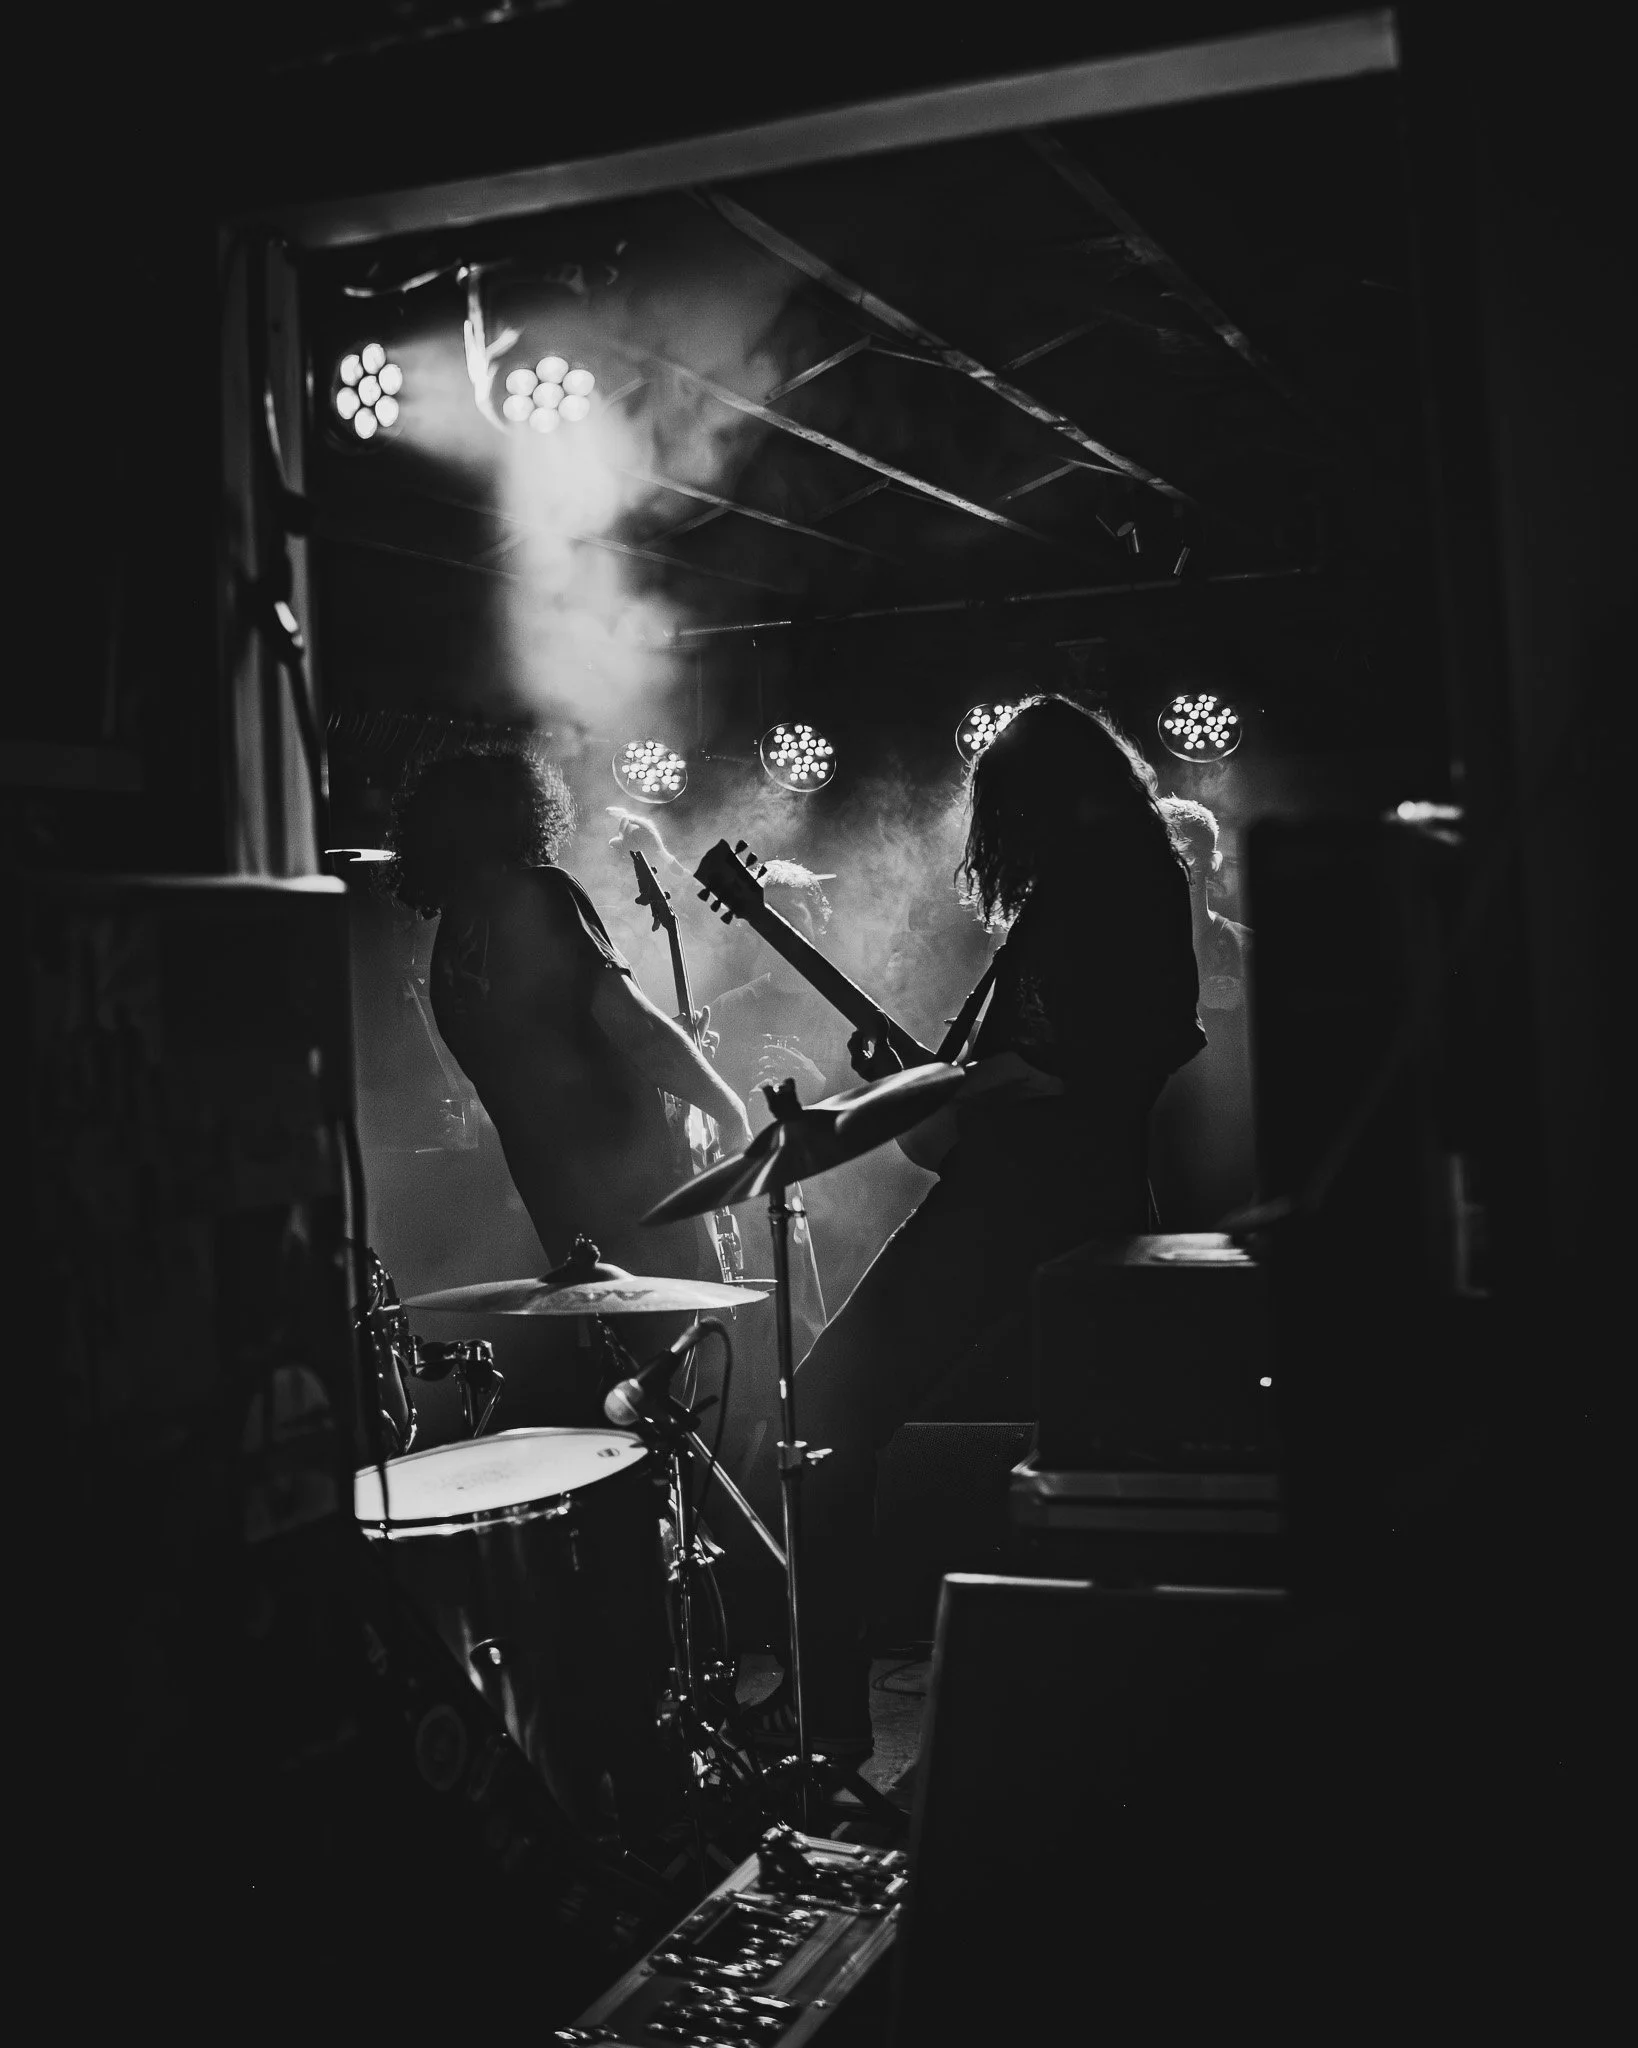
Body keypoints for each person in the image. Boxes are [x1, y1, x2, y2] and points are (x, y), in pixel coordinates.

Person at [744, 696, 1206, 1760]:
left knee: (823, 1412)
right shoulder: (1099, 877)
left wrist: (946, 1087)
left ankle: (826, 1714)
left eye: (999, 803)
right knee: (1084, 1455)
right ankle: (850, 1711)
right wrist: (925, 1085)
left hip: (1027, 1207)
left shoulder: (1113, 877)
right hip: (1040, 1199)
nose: (990, 833)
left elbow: (1090, 1055)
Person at [391, 747, 752, 1283]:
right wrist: (729, 1108)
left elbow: (545, 1054)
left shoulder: (447, 951)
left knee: (611, 1331)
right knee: (673, 1326)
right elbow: (638, 1031)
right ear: (520, 813)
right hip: (635, 1192)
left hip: (556, 1206)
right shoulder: (543, 892)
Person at [1151, 796, 1257, 1227]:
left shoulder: (1247, 947)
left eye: (1190, 855)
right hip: (1152, 1140)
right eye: (1168, 852)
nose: (1181, 866)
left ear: (1213, 863)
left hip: (1230, 1146)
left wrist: (1245, 1003)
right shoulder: (1126, 953)